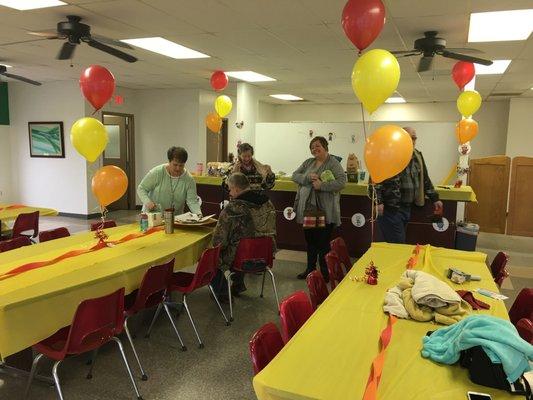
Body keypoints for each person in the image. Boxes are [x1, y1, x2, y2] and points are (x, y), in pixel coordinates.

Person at [211, 173, 276, 299]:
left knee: (212, 254)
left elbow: (219, 241)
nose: (229, 192)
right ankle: (238, 284)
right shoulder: (268, 203)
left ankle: (222, 293)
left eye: (229, 189)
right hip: (265, 255)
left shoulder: (233, 208)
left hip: (241, 257)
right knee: (242, 244)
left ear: (236, 189)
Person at [373, 126, 443, 244]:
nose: (413, 141)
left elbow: (424, 178)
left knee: (394, 243)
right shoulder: (388, 154)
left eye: (414, 138)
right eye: (409, 138)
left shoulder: (417, 156)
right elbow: (376, 179)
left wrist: (435, 198)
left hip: (407, 207)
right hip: (391, 208)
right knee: (397, 244)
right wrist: (378, 201)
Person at [292, 136, 346, 280]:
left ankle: (325, 272)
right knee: (310, 241)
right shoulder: (309, 162)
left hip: (325, 211)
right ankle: (310, 270)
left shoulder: (333, 163)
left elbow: (341, 182)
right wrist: (307, 177)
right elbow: (295, 176)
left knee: (322, 243)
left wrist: (322, 186)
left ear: (325, 147)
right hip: (310, 210)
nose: (314, 149)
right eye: (312, 147)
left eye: (317, 146)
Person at [137, 146, 201, 215]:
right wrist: (147, 202)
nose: (178, 168)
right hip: (152, 215)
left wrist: (199, 215)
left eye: (181, 165)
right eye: (175, 165)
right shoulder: (157, 172)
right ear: (169, 161)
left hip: (175, 218)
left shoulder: (189, 179)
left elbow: (192, 201)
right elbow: (141, 188)